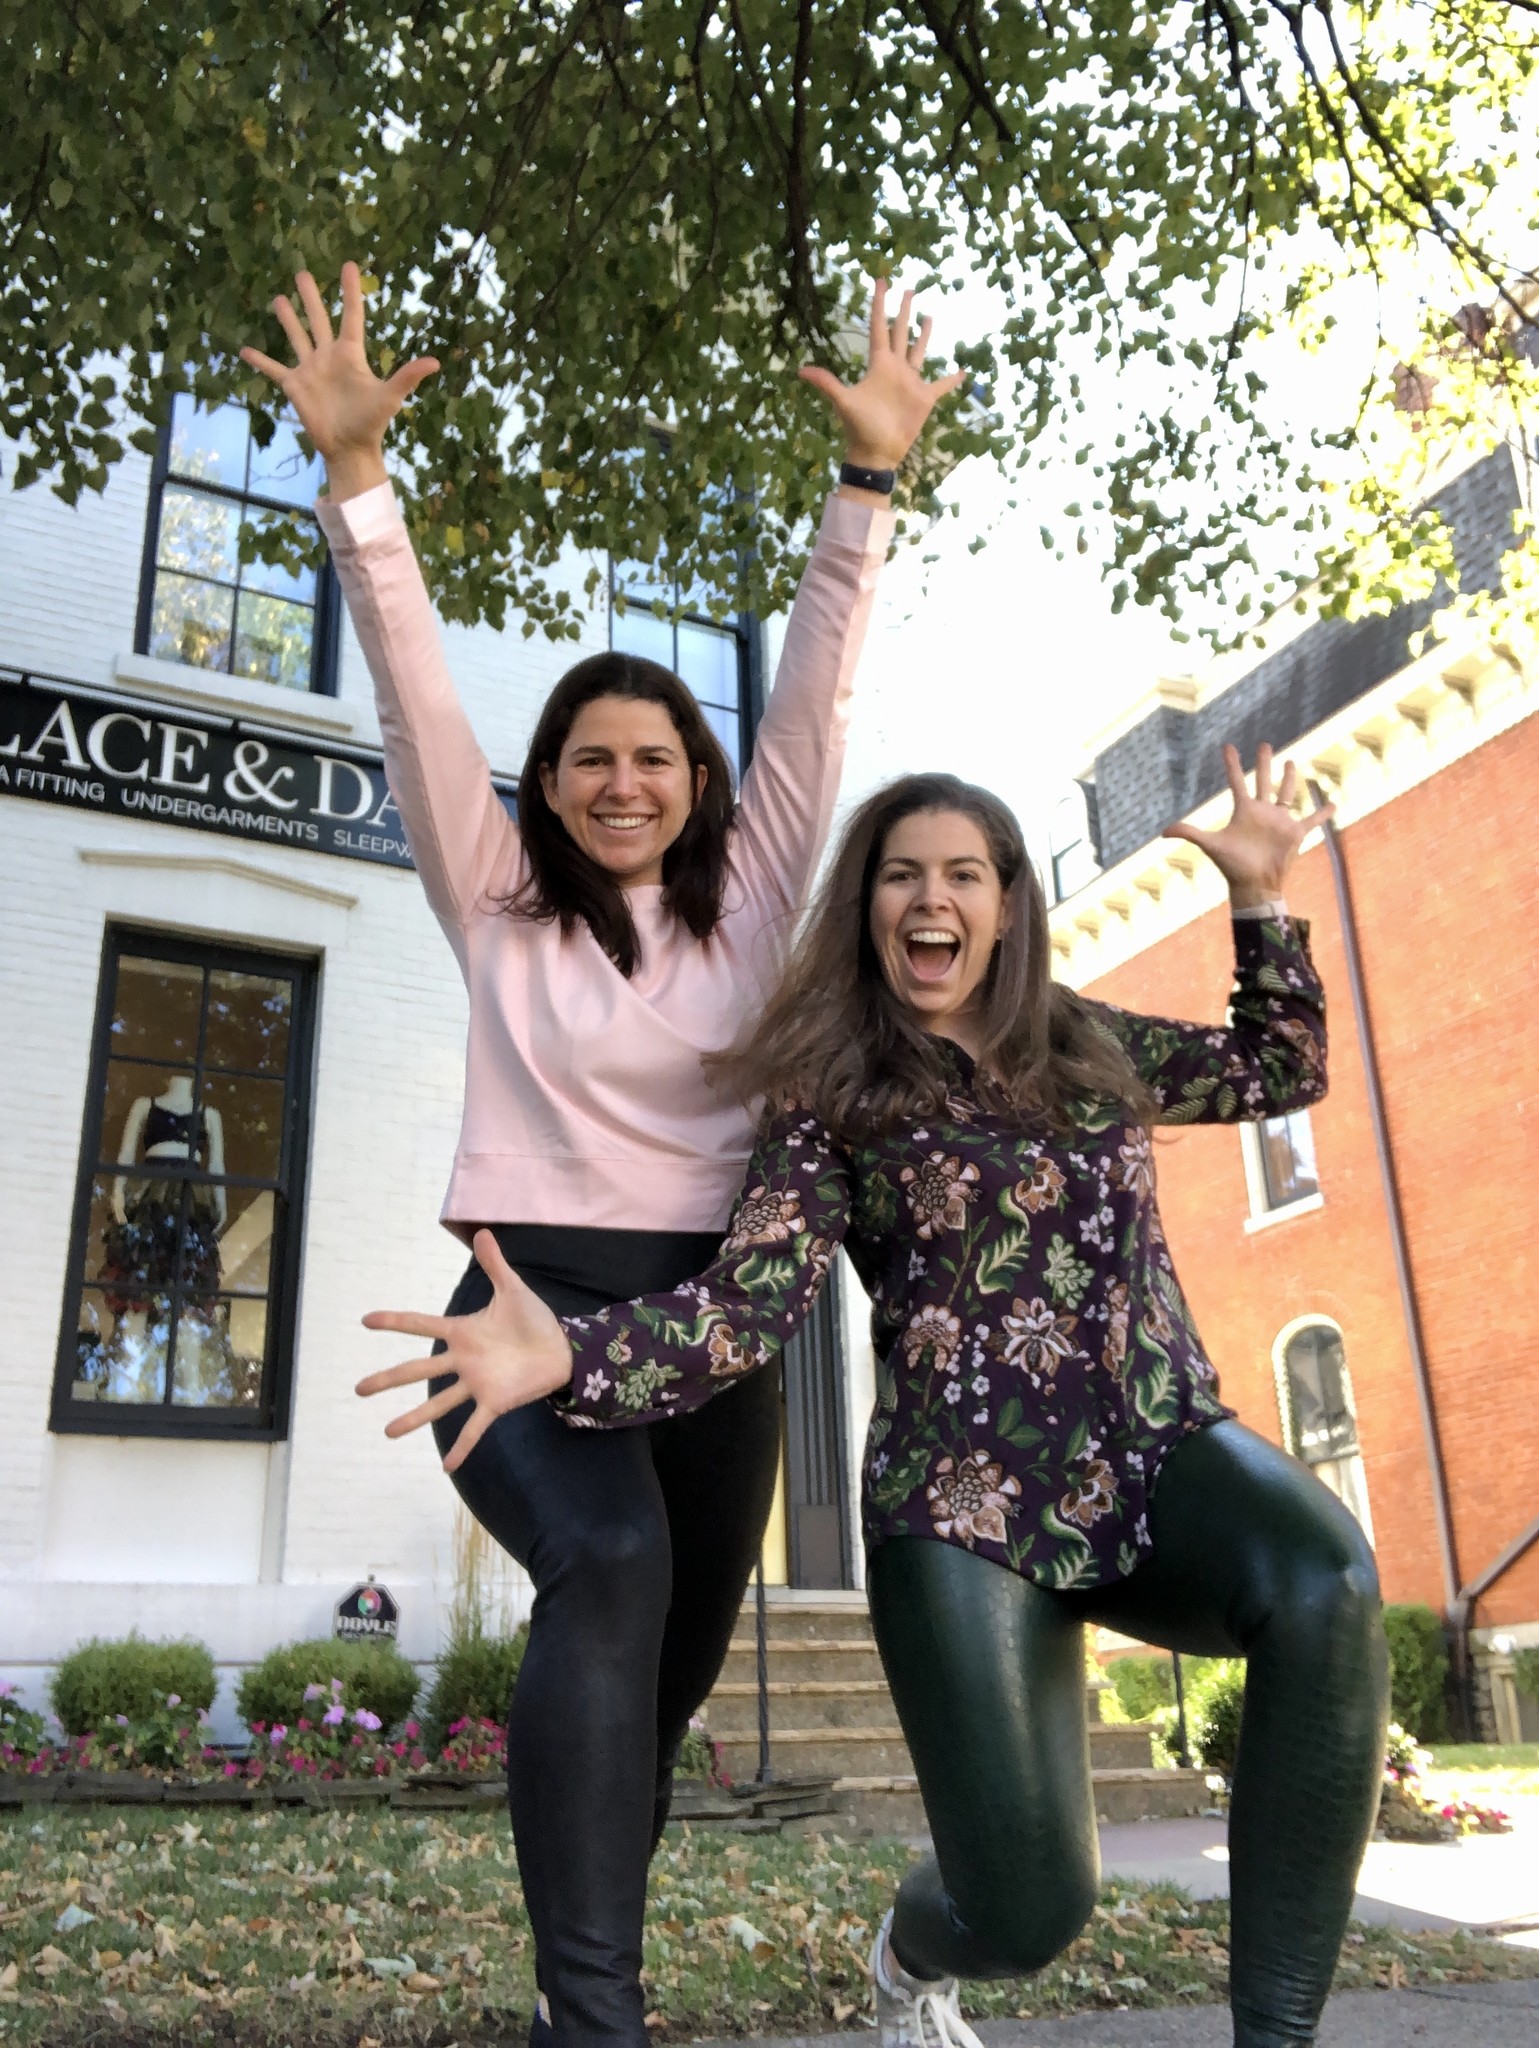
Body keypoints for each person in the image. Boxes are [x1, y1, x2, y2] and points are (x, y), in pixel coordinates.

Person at [363, 746, 1391, 2048]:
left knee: (1330, 1587)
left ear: (1006, 905)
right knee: (1029, 1911)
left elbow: (1276, 1071)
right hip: (961, 1511)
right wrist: (572, 1350)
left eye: (963, 873)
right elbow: (749, 1305)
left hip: (1155, 1447)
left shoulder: (1088, 1043)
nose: (931, 898)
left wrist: (1260, 902)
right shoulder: (830, 1095)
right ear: (868, 908)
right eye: (901, 875)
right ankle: (913, 1955)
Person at [241, 261, 964, 2048]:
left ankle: (591, 1965)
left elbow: (815, 698)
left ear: (696, 781)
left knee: (652, 1697)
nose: (621, 781)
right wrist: (358, 487)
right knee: (613, 1573)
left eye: (652, 757)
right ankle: (596, 2022)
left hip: (713, 1336)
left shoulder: (759, 892)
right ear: (546, 784)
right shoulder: (494, 901)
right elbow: (415, 702)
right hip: (526, 1308)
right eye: (585, 758)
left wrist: (863, 488)